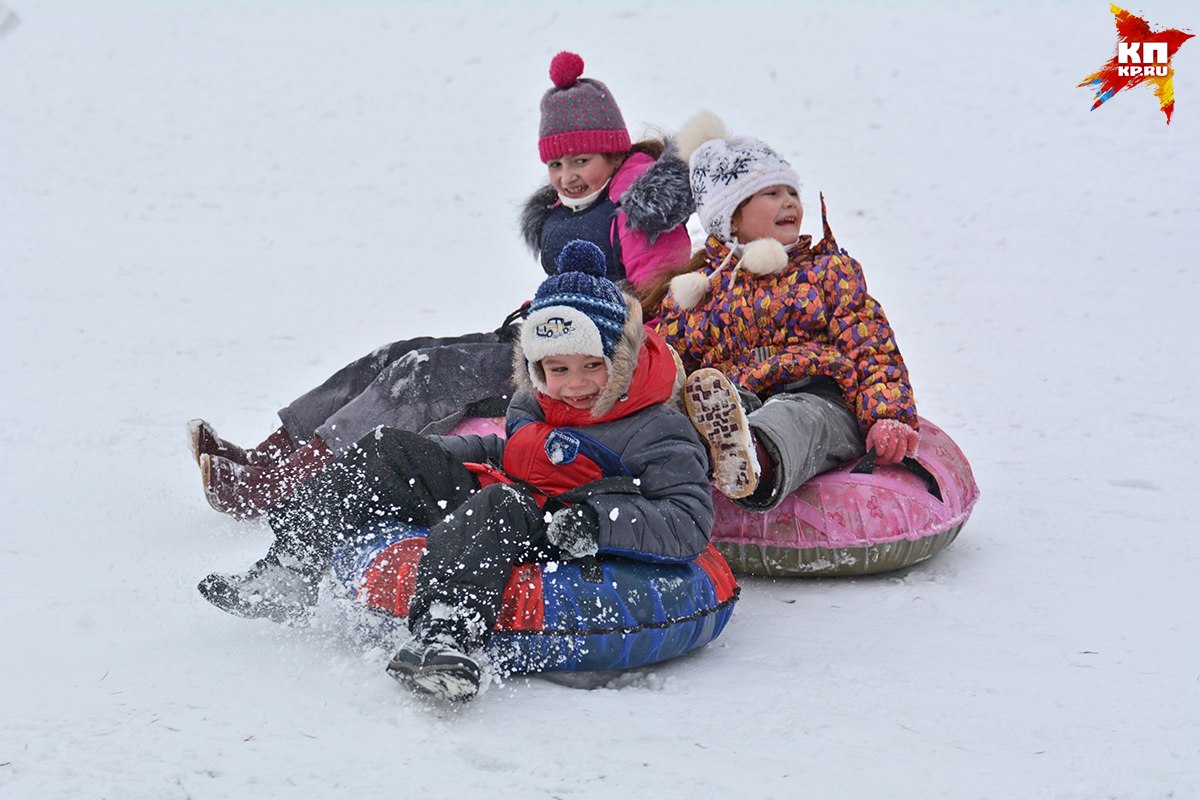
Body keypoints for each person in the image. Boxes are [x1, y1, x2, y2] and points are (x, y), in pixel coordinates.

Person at [196, 240, 714, 703]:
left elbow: (687, 519)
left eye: (590, 366)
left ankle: (448, 636)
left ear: (619, 358)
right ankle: (291, 563)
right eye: (557, 369)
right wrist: (441, 451)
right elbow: (513, 449)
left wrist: (596, 523)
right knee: (388, 450)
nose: (574, 384)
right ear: (536, 368)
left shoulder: (656, 428)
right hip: (516, 490)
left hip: (566, 524)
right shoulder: (537, 403)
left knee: (497, 506)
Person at [190, 51, 694, 520]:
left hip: (584, 361)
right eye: (556, 164)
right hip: (540, 337)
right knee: (398, 353)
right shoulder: (575, 211)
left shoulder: (639, 208)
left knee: (423, 373)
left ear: (611, 151)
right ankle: (271, 452)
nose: (568, 176)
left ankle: (291, 483)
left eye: (581, 160)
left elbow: (658, 297)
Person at [654, 112, 919, 508]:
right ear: (730, 216)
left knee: (794, 419)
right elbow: (665, 364)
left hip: (820, 399)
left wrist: (888, 414)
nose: (789, 202)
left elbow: (872, 346)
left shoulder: (828, 271)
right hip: (738, 396)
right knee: (705, 409)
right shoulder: (697, 293)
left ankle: (752, 458)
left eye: (791, 192)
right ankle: (700, 453)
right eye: (771, 194)